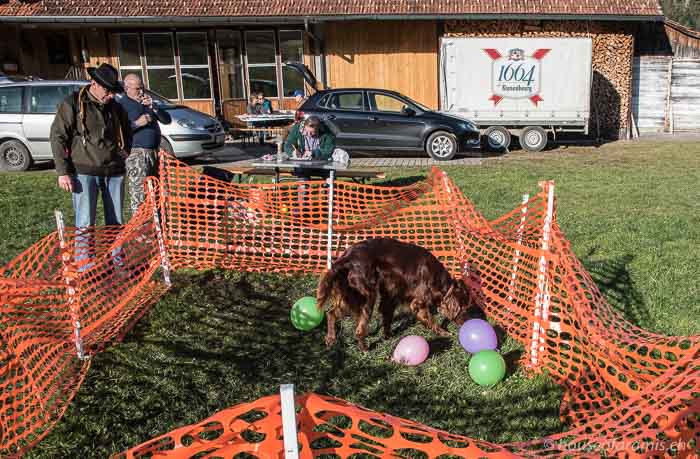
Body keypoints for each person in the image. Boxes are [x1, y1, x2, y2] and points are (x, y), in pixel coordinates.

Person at [50, 62, 132, 269]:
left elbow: (127, 131)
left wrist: (126, 151)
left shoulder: (116, 107)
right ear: (93, 83)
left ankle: (118, 262)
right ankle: (86, 266)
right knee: (86, 222)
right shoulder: (72, 104)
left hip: (114, 172)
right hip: (84, 172)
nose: (111, 95)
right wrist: (63, 172)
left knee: (116, 221)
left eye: (113, 91)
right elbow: (58, 137)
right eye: (107, 90)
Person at [117, 73, 172, 219]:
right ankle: (140, 229)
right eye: (137, 89)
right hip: (137, 153)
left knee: (158, 190)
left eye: (142, 88)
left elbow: (167, 120)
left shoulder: (146, 102)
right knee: (139, 193)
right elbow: (118, 131)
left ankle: (158, 226)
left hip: (155, 151)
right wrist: (136, 124)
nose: (141, 92)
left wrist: (154, 108)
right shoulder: (121, 105)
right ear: (126, 88)